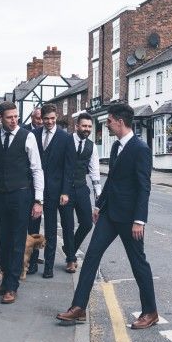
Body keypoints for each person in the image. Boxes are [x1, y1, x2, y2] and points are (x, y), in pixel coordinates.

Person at [56, 103, 158, 329]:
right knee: (91, 256)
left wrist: (139, 220)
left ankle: (150, 311)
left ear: (120, 122)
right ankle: (79, 307)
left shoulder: (140, 149)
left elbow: (144, 187)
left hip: (130, 219)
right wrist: (99, 205)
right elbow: (112, 180)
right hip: (109, 215)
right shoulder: (115, 147)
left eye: (109, 121)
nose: (107, 125)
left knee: (138, 263)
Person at [0, 101, 43, 304]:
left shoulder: (28, 137)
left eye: (16, 116)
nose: (14, 120)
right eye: (10, 117)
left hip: (21, 196)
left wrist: (38, 200)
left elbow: (36, 170)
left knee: (17, 242)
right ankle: (5, 283)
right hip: (1, 196)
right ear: (0, 118)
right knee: (3, 242)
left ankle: (12, 287)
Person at [30, 103, 76, 278]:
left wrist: (65, 191)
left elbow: (69, 168)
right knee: (33, 228)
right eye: (46, 119)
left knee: (50, 230)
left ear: (56, 118)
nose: (49, 122)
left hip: (55, 192)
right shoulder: (33, 135)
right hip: (35, 190)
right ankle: (33, 263)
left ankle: (48, 267)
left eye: (52, 119)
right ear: (41, 118)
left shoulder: (66, 138)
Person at [64, 112, 102, 273]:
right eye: (84, 126)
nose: (87, 129)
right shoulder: (66, 141)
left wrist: (98, 197)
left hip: (81, 189)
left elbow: (95, 172)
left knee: (87, 223)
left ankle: (69, 247)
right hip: (65, 190)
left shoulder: (91, 146)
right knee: (68, 225)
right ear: (76, 126)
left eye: (89, 127)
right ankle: (71, 259)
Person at [25, 106, 44, 267]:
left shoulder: (45, 133)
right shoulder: (24, 132)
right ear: (32, 118)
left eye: (41, 119)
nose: (40, 122)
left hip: (38, 185)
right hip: (24, 185)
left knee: (34, 224)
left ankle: (33, 259)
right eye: (38, 118)